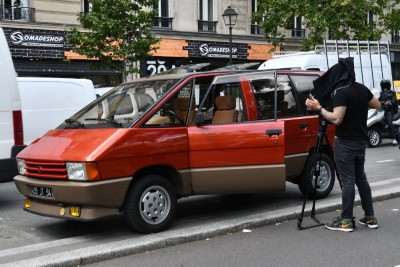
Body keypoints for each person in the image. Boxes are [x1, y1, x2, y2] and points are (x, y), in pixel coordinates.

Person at [306, 57, 381, 232]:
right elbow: (377, 104)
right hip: (360, 141)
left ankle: (346, 220)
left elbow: (336, 119)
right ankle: (370, 216)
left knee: (348, 181)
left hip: (345, 142)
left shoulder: (340, 92)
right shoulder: (361, 89)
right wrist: (359, 105)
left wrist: (319, 108)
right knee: (361, 178)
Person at [379, 79, 398, 145]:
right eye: (383, 86)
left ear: (388, 86)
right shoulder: (381, 93)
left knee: (389, 123)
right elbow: (378, 100)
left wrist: (389, 102)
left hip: (390, 111)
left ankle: (394, 139)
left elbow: (394, 101)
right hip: (382, 111)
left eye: (386, 86)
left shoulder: (392, 93)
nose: (385, 88)